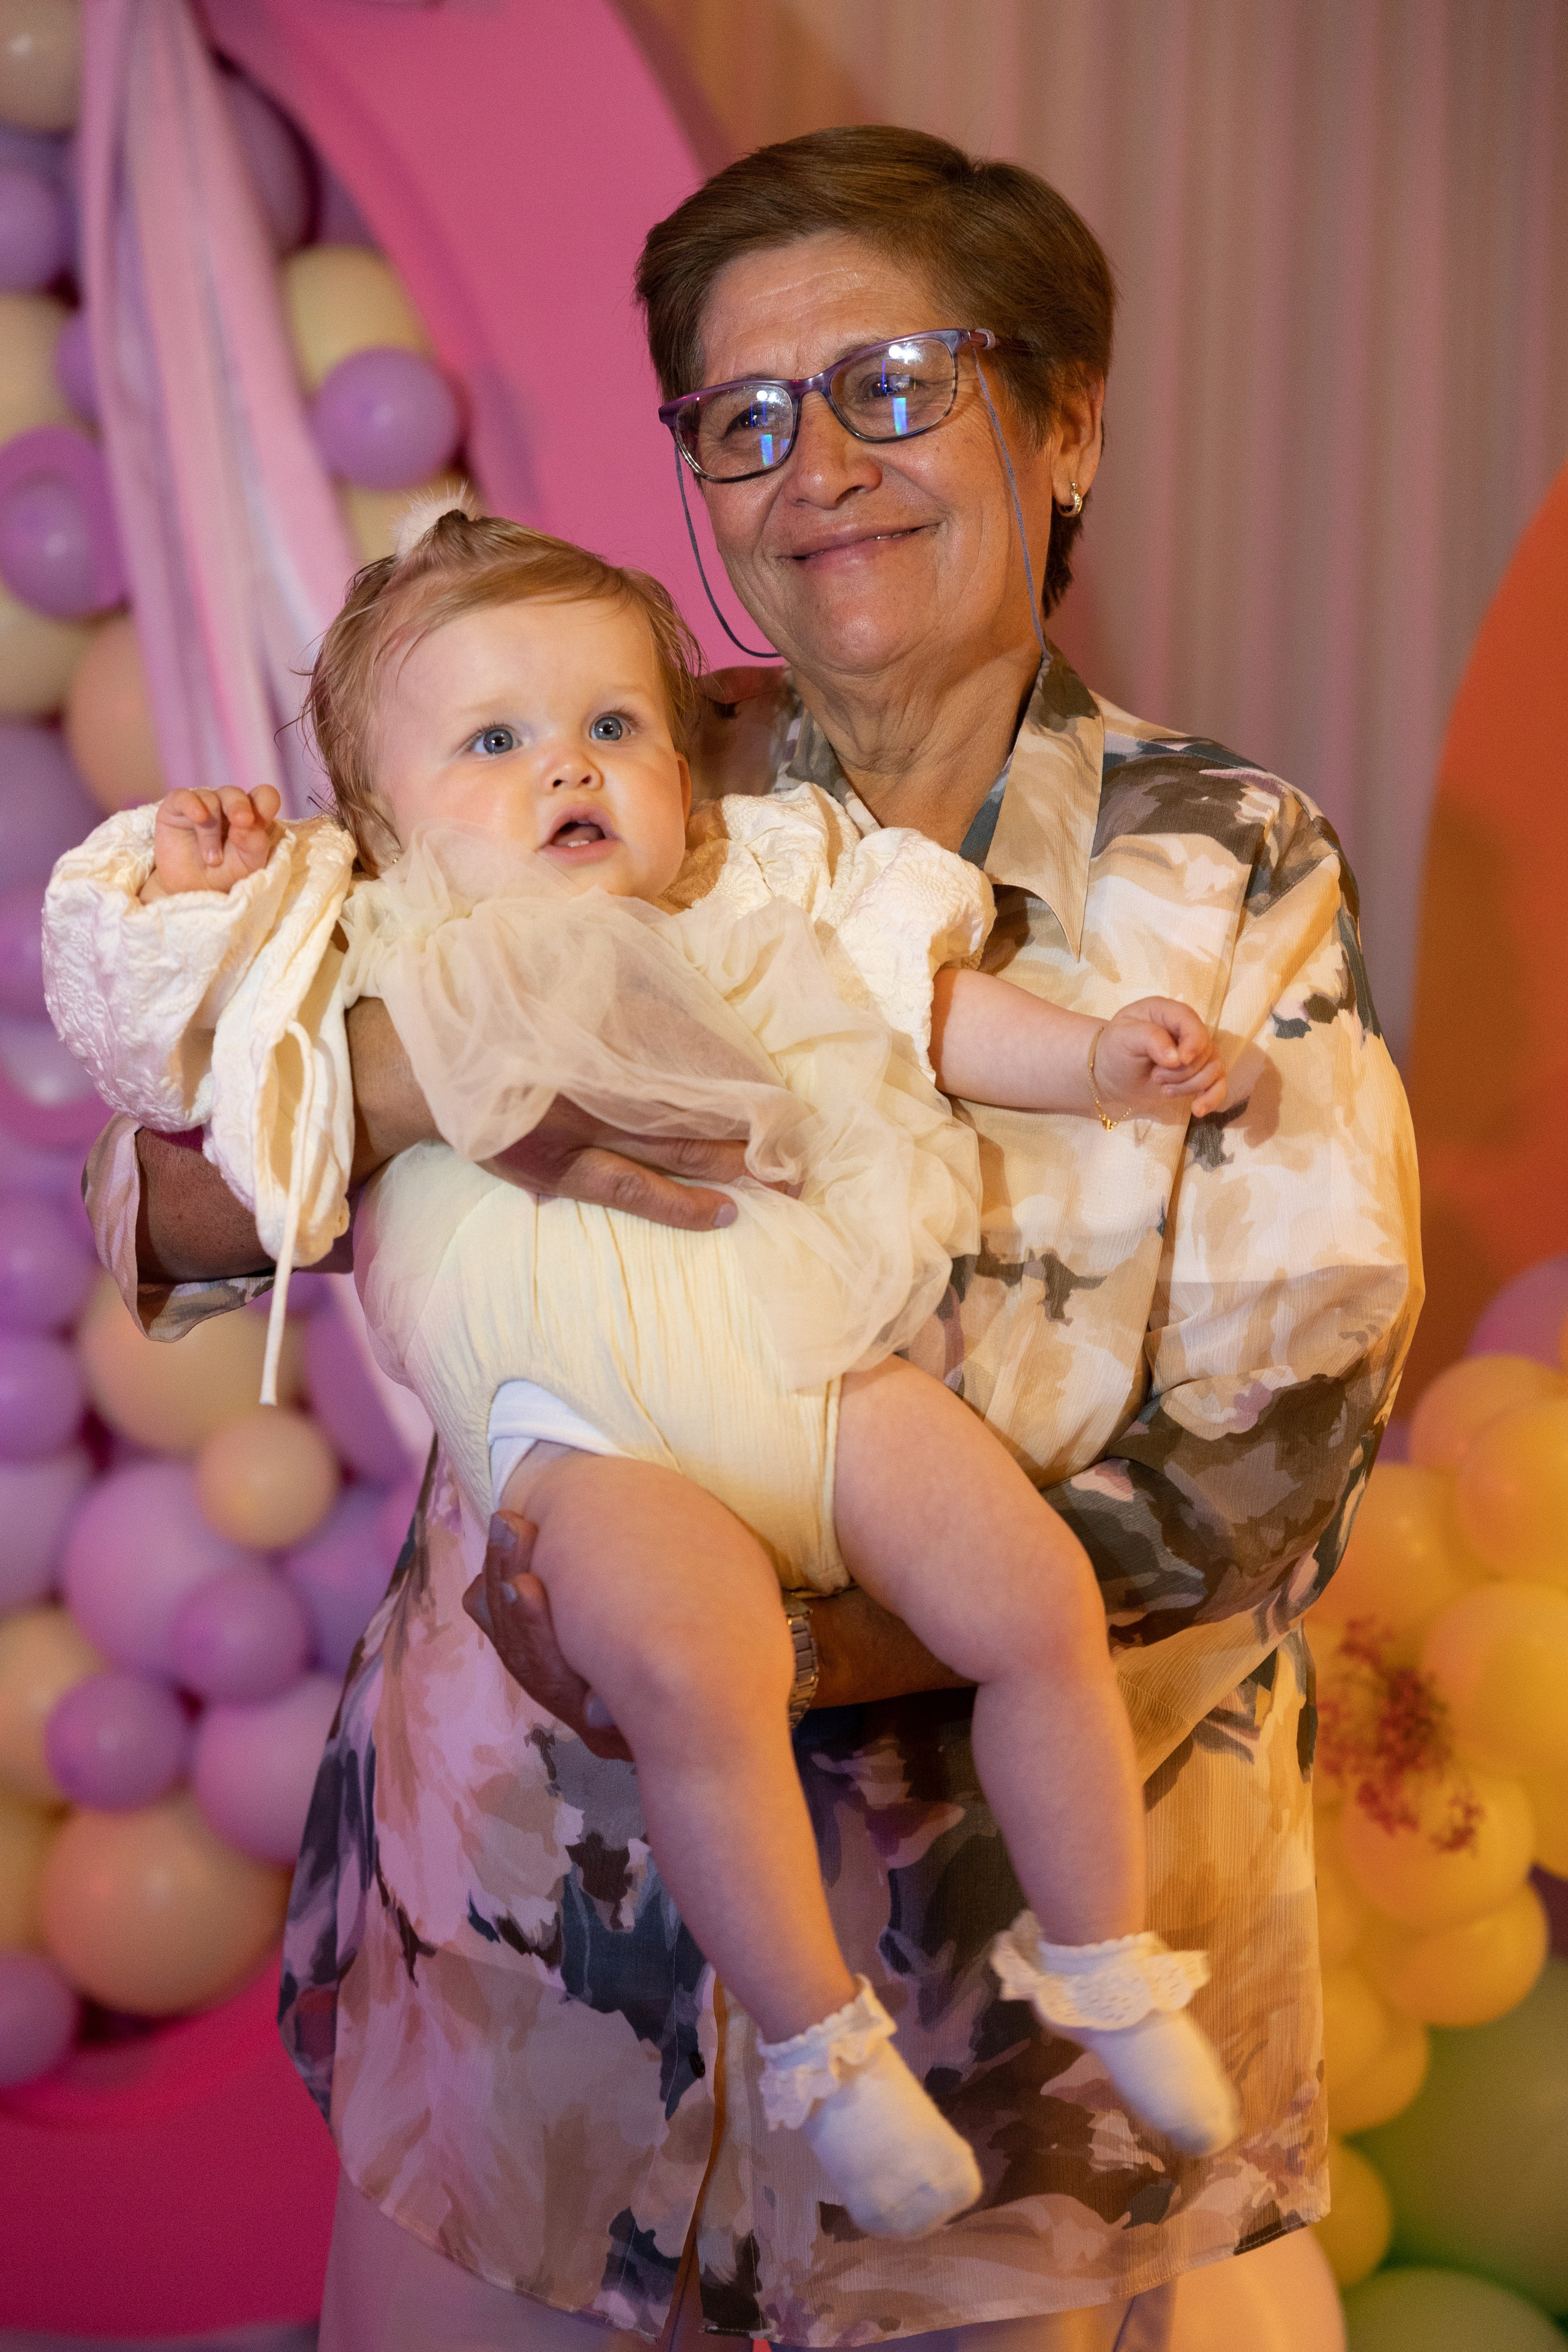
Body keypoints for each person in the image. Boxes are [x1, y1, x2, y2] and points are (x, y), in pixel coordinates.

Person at [83, 128, 1420, 2350]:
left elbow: (1271, 1455)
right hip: (526, 1975)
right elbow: (191, 1206)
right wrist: (444, 1081)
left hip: (997, 2036)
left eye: (896, 383)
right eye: (745, 417)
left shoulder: (1223, 863)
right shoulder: (565, 734)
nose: (822, 469)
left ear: (1066, 418)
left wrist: (751, 1644)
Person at [50, 499, 1240, 2233]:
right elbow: (154, 1058)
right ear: (371, 823)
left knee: (1033, 1597)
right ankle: (827, 2050)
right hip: (584, 1433)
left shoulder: (751, 897)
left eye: (613, 726)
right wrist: (187, 887)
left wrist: (1098, 1059)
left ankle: (1110, 1964)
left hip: (811, 1367)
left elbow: (921, 1011)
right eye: (494, 741)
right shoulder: (361, 951)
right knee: (698, 1663)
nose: (566, 771)